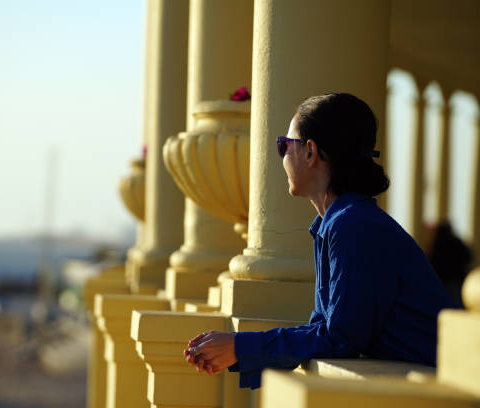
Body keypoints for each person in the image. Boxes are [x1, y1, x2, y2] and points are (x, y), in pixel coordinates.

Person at [183, 93, 457, 389]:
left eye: (284, 146)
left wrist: (241, 347)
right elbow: (324, 330)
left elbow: (340, 339)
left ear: (310, 152)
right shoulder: (340, 223)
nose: (282, 156)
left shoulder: (354, 226)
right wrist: (237, 349)